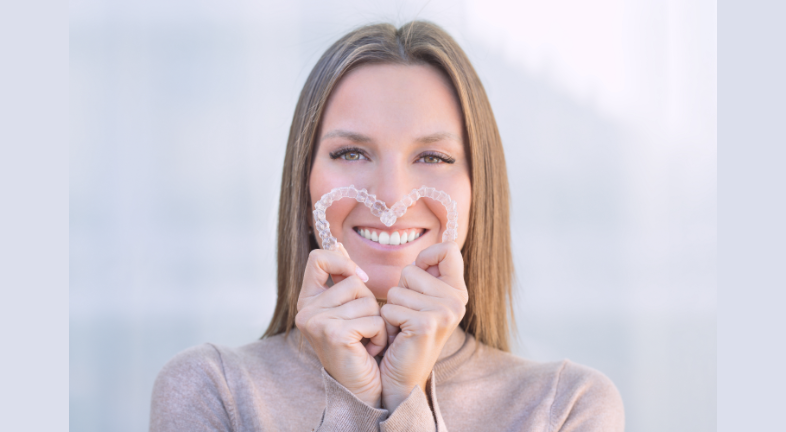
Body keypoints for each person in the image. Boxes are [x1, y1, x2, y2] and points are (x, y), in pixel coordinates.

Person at [149, 21, 625, 432]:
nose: (392, 196)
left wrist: (404, 398)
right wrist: (351, 398)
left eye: (433, 157)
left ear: (480, 188)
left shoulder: (565, 406)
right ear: (304, 178)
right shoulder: (212, 391)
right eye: (351, 153)